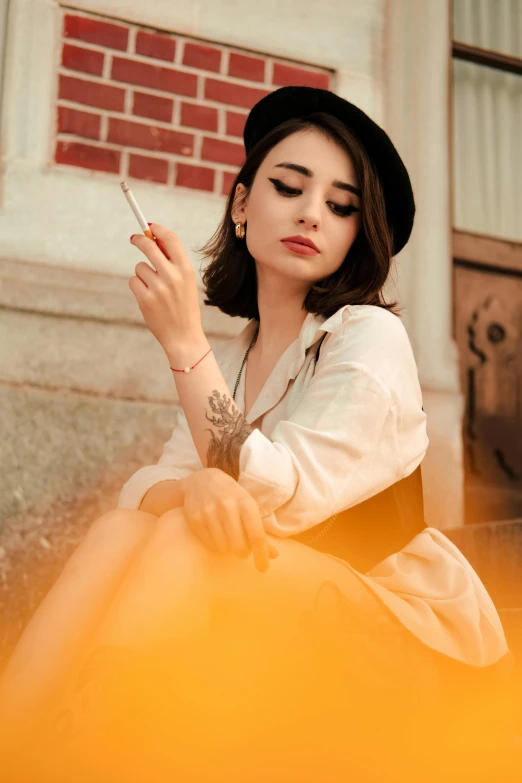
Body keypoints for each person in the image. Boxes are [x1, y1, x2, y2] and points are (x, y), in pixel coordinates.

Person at [0, 86, 516, 783]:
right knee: (120, 533)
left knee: (188, 539)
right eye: (288, 186)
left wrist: (184, 343)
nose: (311, 213)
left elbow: (283, 499)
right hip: (285, 593)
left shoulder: (369, 337)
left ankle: (97, 754)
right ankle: (21, 743)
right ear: (242, 205)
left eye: (340, 206)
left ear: (357, 236)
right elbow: (145, 486)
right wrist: (199, 482)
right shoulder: (240, 357)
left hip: (408, 630)